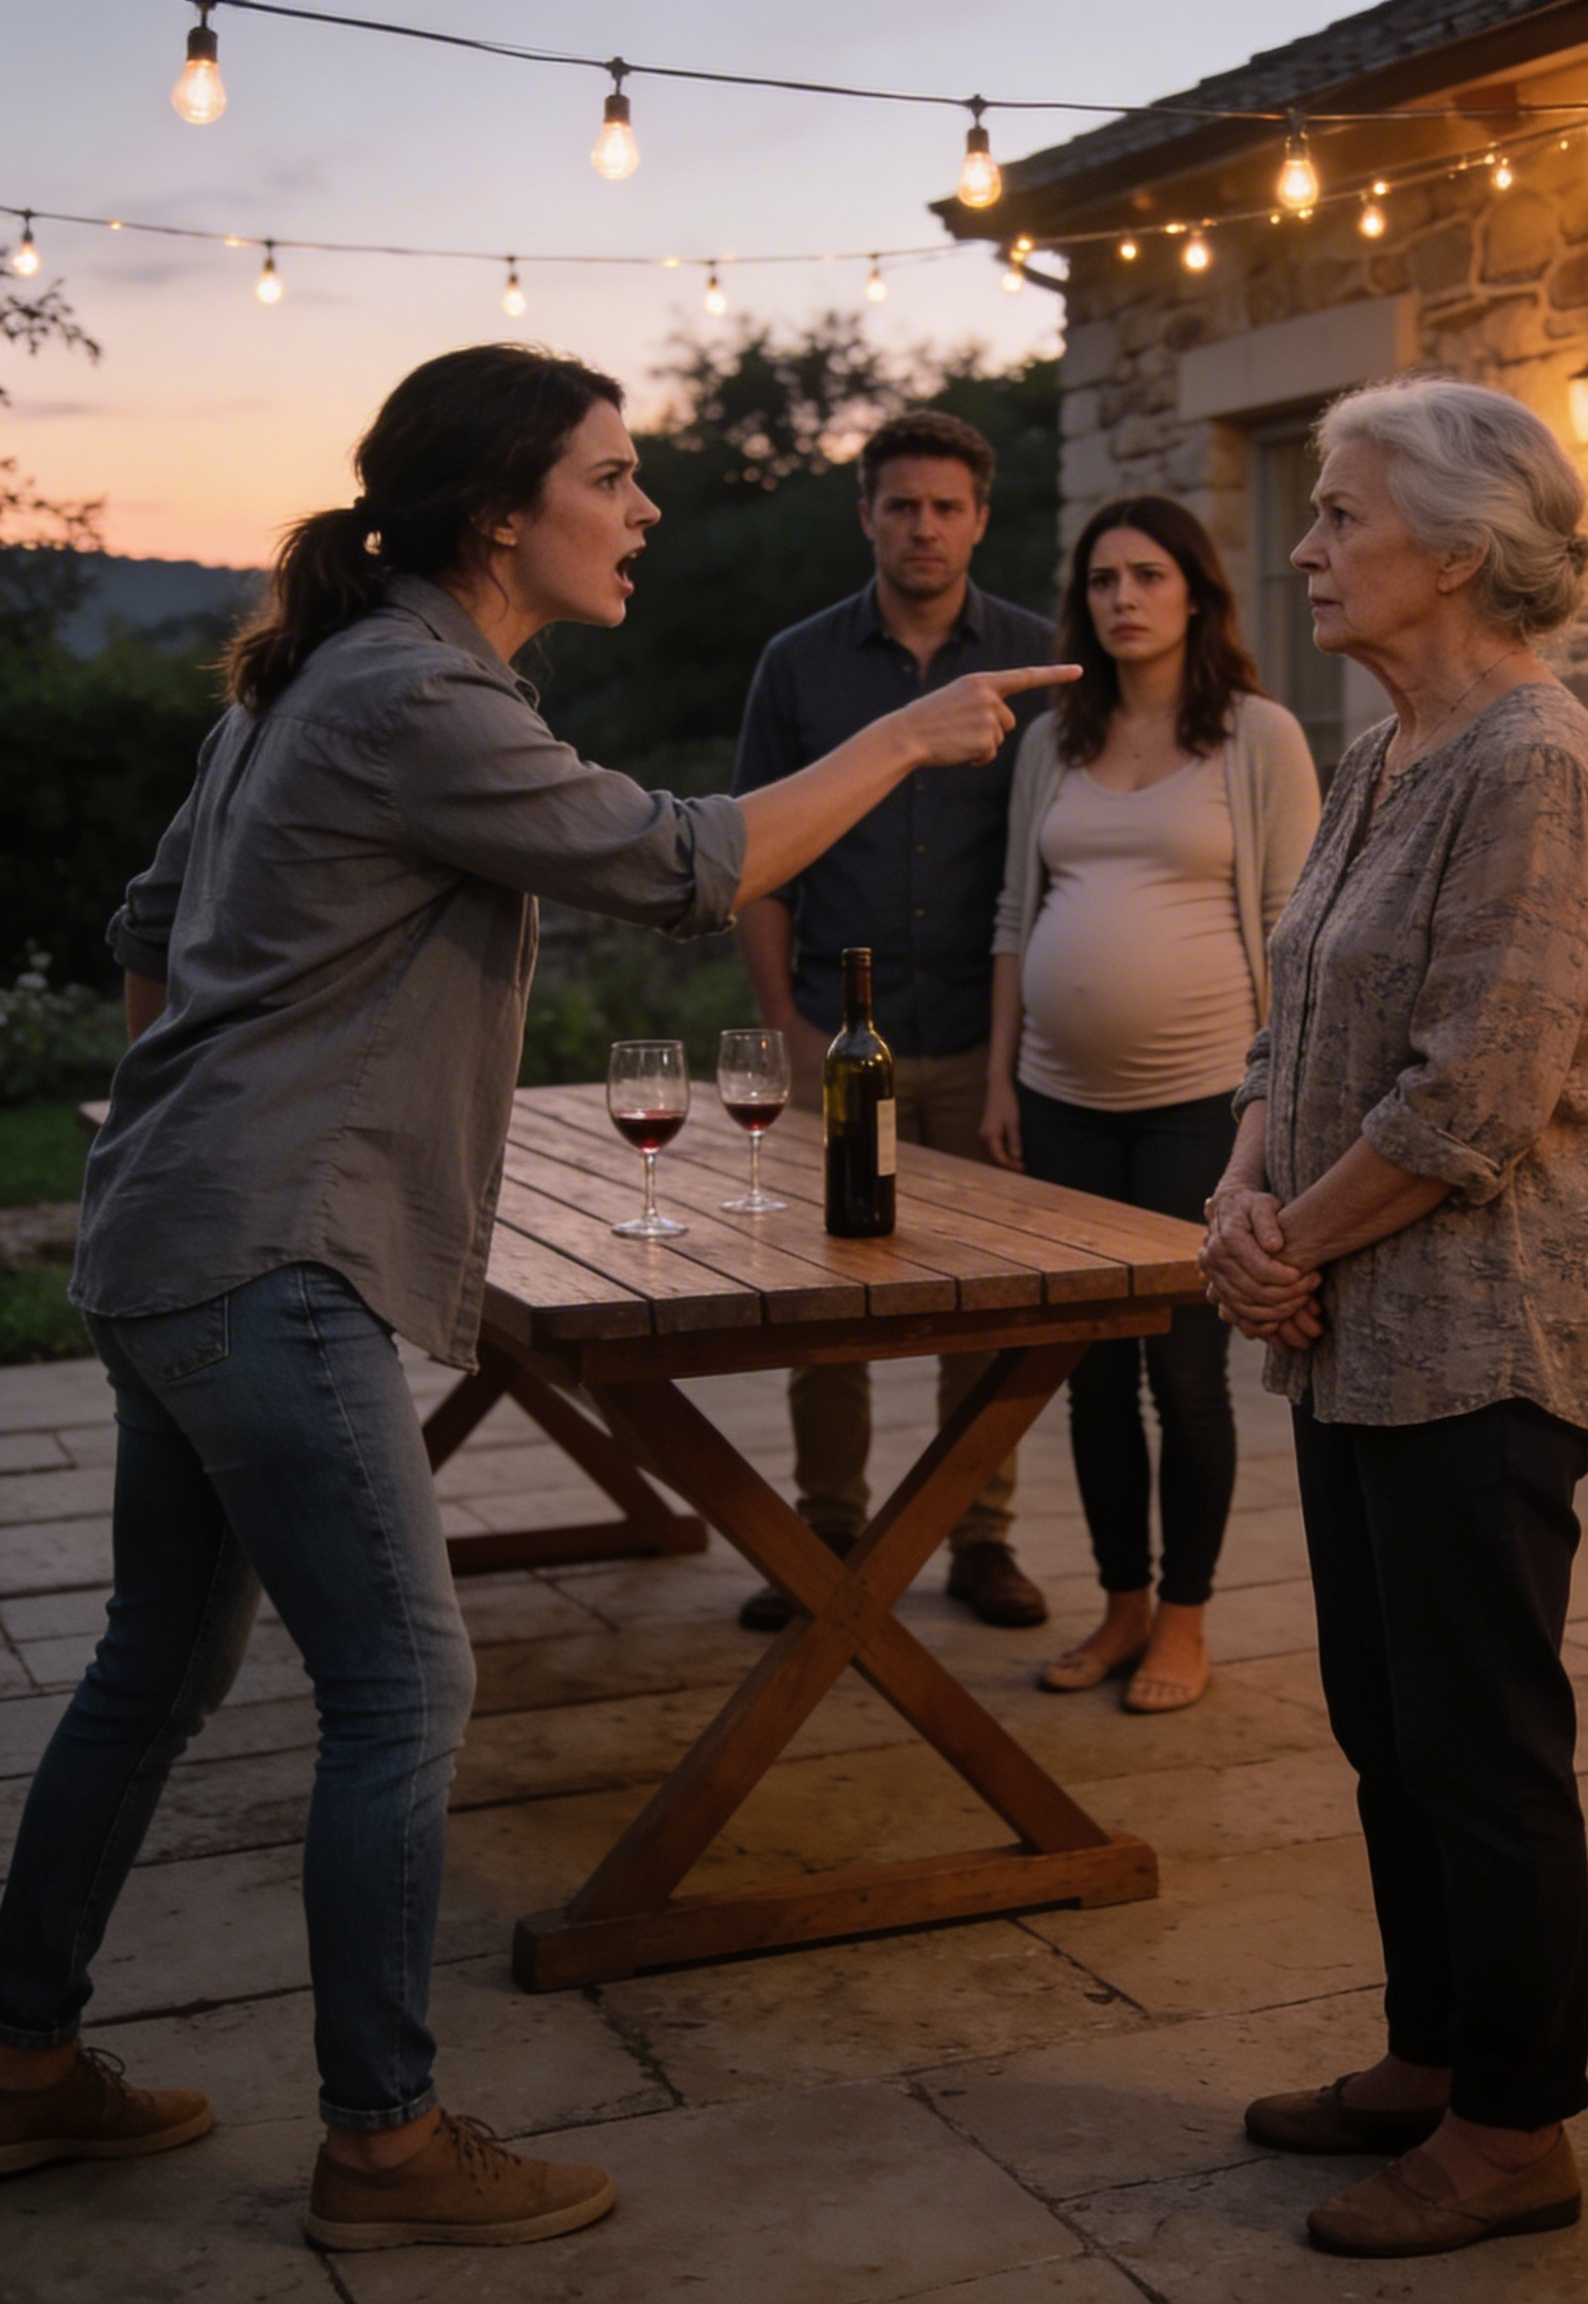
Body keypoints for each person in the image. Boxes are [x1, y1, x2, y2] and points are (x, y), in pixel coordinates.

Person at [0, 345, 1076, 2250]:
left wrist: (193, 1117)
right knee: (402, 1685)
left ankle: (20, 2055)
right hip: (271, 1256)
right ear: (503, 510)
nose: (645, 506)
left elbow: (151, 927)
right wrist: (909, 737)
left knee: (153, 1664)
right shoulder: (411, 690)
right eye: (611, 472)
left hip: (176, 1234)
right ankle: (383, 2144)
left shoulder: (316, 675)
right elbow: (683, 861)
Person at [1198, 376, 1588, 2261]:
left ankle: (1515, 2123)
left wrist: (1279, 1241)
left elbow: (1477, 1091)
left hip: (1479, 1338)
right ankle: (1433, 2050)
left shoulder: (1533, 762)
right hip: (1345, 1326)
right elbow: (1292, 1021)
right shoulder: (1385, 750)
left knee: (1479, 1739)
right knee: (1389, 1722)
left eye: (1340, 513)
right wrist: (1243, 1192)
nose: (1304, 548)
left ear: (1456, 549)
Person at [980, 496, 1318, 1712]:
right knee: (1091, 1378)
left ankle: (1184, 1619)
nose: (1123, 597)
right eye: (1102, 579)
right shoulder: (1051, 742)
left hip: (1201, 1107)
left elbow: (1296, 930)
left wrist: (1274, 1115)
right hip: (1059, 1101)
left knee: (1184, 1379)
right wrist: (1001, 1077)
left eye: (1148, 575)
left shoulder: (1258, 736)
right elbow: (1013, 916)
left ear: (1194, 593)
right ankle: (1120, 1607)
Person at [731, 409, 1059, 1634]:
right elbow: (756, 856)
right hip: (836, 1038)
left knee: (984, 1302)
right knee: (830, 1304)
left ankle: (977, 1538)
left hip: (985, 1045)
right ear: (865, 514)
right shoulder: (797, 664)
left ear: (979, 520)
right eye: (902, 505)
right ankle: (824, 1536)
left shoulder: (1036, 661)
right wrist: (781, 1021)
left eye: (946, 507)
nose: (924, 527)